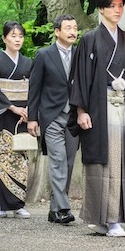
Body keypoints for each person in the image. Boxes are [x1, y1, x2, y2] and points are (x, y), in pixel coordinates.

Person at [69, 0, 125, 238]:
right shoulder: (89, 40)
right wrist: (81, 110)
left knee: (119, 157)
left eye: (120, 5)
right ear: (101, 9)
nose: (117, 10)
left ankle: (113, 217)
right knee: (101, 161)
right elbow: (80, 77)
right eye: (112, 6)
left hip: (122, 106)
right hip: (99, 106)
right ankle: (104, 218)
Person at [27, 14, 80, 225]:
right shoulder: (44, 55)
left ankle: (55, 209)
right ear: (57, 31)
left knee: (68, 162)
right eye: (68, 27)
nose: (72, 31)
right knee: (57, 160)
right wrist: (32, 118)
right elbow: (35, 88)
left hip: (73, 117)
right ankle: (64, 208)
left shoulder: (80, 54)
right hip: (51, 116)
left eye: (75, 27)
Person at [0, 20, 34, 218]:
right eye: (13, 35)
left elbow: (35, 88)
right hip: (5, 114)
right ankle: (1, 202)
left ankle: (18, 202)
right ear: (5, 37)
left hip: (23, 115)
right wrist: (12, 107)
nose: (17, 39)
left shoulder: (28, 62)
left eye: (20, 36)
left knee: (21, 159)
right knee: (4, 158)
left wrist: (28, 108)